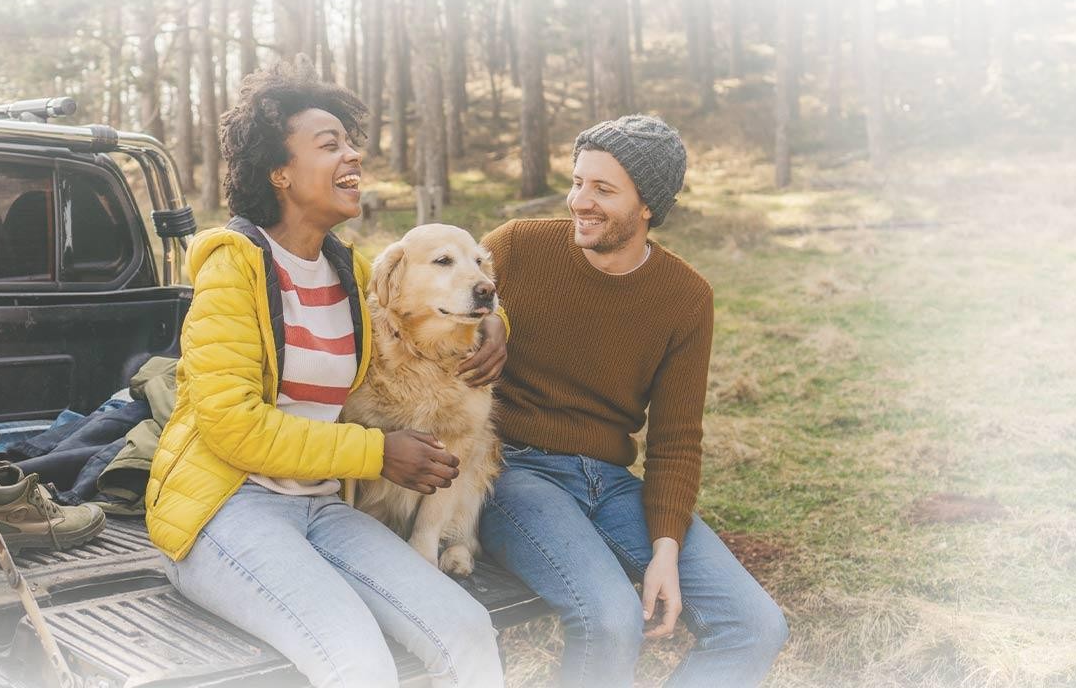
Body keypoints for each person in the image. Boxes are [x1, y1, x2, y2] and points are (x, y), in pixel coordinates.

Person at [144, 60, 504, 688]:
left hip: (324, 504)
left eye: (352, 142)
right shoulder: (233, 272)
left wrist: (500, 325)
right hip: (228, 509)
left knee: (468, 632)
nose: (353, 156)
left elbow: (435, 296)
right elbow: (233, 427)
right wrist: (377, 451)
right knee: (355, 660)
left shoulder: (350, 272)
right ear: (279, 173)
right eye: (329, 144)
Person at [463, 115, 788, 687]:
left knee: (756, 626)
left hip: (610, 484)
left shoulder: (685, 297)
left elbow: (677, 439)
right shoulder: (515, 246)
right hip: (511, 471)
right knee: (611, 618)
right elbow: (440, 311)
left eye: (603, 190)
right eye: (578, 181)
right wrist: (490, 321)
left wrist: (666, 547)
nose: (579, 202)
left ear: (647, 207)